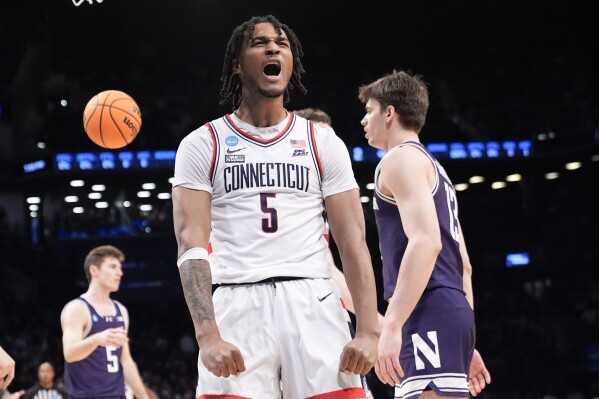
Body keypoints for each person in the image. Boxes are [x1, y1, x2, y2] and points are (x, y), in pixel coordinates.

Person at [172, 14, 380, 399]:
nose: (273, 48)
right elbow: (191, 246)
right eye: (260, 42)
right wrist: (208, 335)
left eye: (282, 44)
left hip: (313, 299)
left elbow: (353, 243)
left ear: (291, 61)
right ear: (237, 64)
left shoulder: (323, 143)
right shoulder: (202, 144)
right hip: (236, 299)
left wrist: (368, 330)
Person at [358, 70, 491, 398]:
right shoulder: (436, 169)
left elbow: (426, 241)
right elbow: (465, 266)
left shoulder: (398, 159)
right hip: (450, 308)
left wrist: (391, 324)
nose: (363, 120)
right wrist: (466, 339)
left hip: (427, 307)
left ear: (390, 113)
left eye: (369, 110)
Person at [60, 245, 150, 399]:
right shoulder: (77, 309)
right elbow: (69, 353)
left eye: (120, 268)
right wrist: (96, 339)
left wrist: (144, 397)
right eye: (113, 267)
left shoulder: (121, 310)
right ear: (94, 270)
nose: (120, 273)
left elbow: (126, 360)